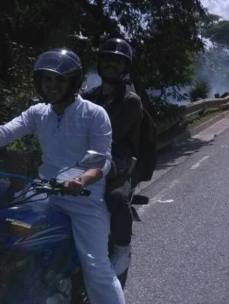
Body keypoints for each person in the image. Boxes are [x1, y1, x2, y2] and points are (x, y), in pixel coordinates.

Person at [0, 49, 125, 304]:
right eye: (47, 79)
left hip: (83, 199)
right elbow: (4, 132)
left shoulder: (94, 114)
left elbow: (99, 159)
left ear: (73, 81)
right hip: (43, 191)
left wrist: (80, 179)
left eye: (59, 79)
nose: (52, 85)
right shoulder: (39, 113)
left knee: (97, 269)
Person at [83, 38, 143, 282]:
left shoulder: (130, 100)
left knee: (116, 197)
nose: (112, 65)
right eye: (108, 60)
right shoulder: (90, 94)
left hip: (116, 157)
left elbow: (110, 136)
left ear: (125, 67)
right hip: (84, 154)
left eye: (118, 62)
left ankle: (121, 248)